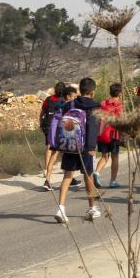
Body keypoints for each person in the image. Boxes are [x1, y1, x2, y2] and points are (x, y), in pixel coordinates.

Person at [54, 77, 101, 223]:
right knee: (88, 176)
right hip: (86, 147)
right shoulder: (94, 106)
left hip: (69, 144)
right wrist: (92, 147)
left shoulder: (70, 104)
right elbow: (93, 126)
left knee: (67, 176)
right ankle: (92, 208)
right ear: (92, 92)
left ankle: (61, 209)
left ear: (80, 90)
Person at [43, 85, 77, 190]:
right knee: (67, 155)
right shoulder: (68, 105)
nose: (75, 98)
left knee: (54, 156)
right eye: (74, 96)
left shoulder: (58, 104)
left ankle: (47, 180)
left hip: (54, 134)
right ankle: (69, 178)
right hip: (63, 134)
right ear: (68, 96)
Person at [94, 83, 123, 189]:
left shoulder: (103, 103)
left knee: (104, 156)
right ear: (120, 93)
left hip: (102, 134)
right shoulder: (119, 105)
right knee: (115, 157)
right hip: (113, 135)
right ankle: (113, 181)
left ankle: (96, 173)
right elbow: (121, 121)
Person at [40, 82, 64, 188]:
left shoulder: (49, 99)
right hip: (58, 127)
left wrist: (41, 123)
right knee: (57, 150)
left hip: (48, 126)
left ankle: (47, 169)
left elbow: (42, 112)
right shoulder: (64, 101)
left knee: (49, 147)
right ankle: (67, 174)